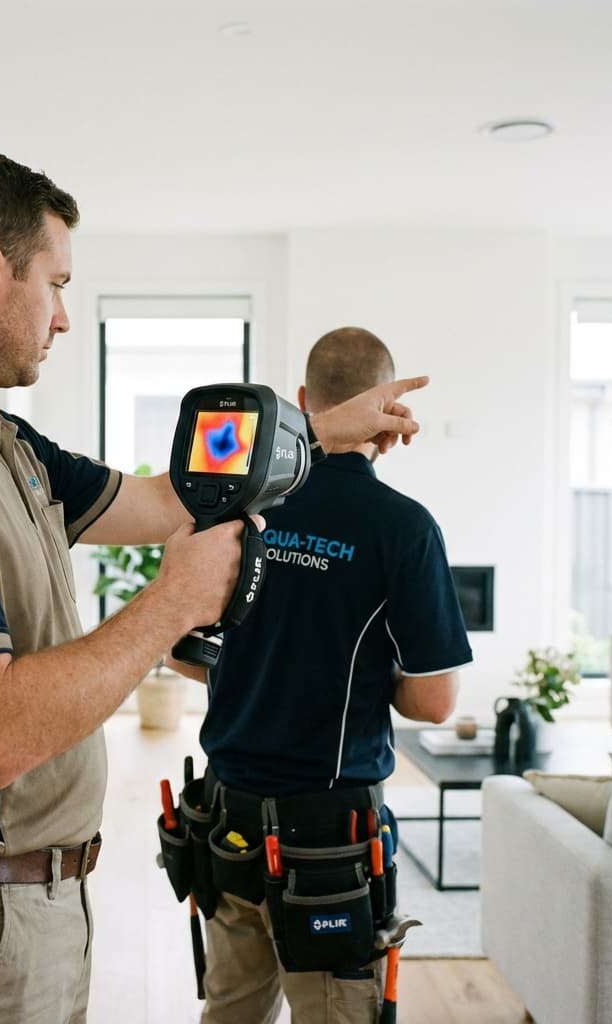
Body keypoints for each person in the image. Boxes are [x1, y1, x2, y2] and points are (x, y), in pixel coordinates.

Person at [0, 150, 429, 1023]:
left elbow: (168, 498)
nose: (61, 317)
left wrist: (320, 433)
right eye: (53, 284)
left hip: (28, 906)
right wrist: (175, 601)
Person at [171, 327, 473, 1024]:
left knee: (231, 1011)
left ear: (305, 401)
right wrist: (365, 677)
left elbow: (183, 654)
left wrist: (258, 666)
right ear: (390, 416)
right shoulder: (404, 528)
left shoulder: (239, 508)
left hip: (228, 824)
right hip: (329, 844)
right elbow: (434, 700)